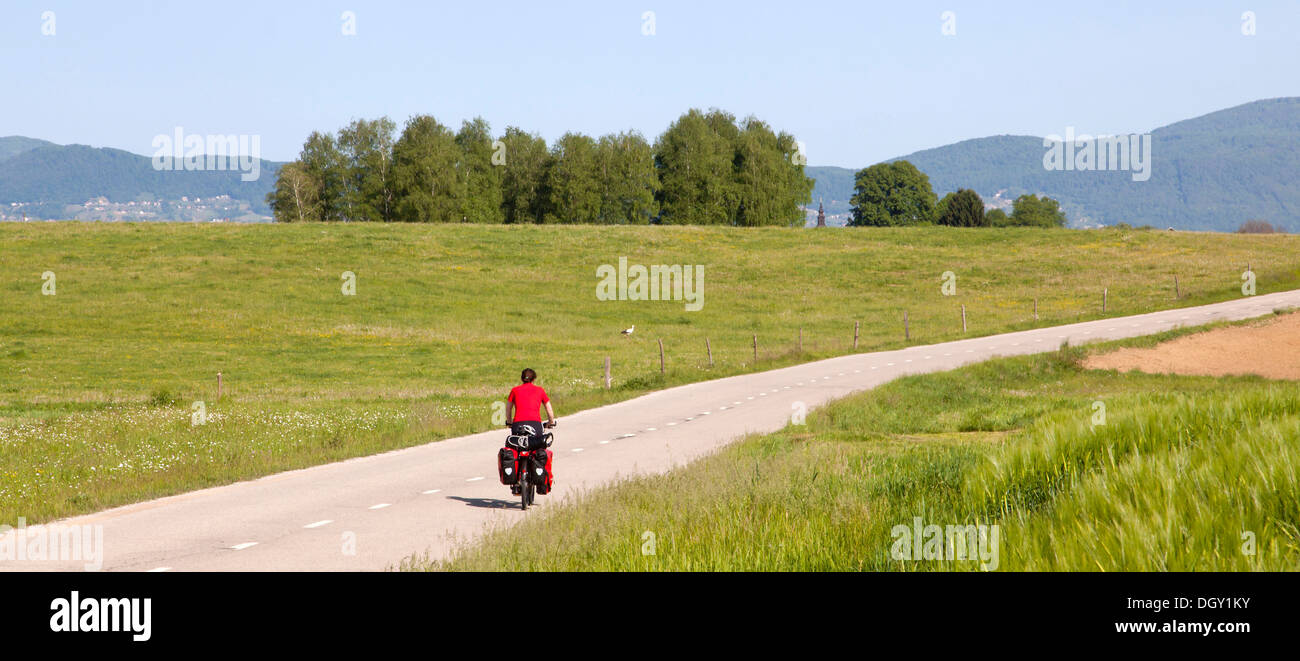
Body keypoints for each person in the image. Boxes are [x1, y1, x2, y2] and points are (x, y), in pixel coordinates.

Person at [504, 368, 557, 493]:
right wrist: (551, 422)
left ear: (522, 378)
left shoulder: (515, 390)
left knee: (517, 449)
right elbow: (549, 409)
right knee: (537, 450)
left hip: (518, 425)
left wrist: (509, 421)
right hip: (535, 425)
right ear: (534, 378)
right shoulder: (540, 390)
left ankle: (516, 481)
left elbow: (508, 408)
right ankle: (539, 479)